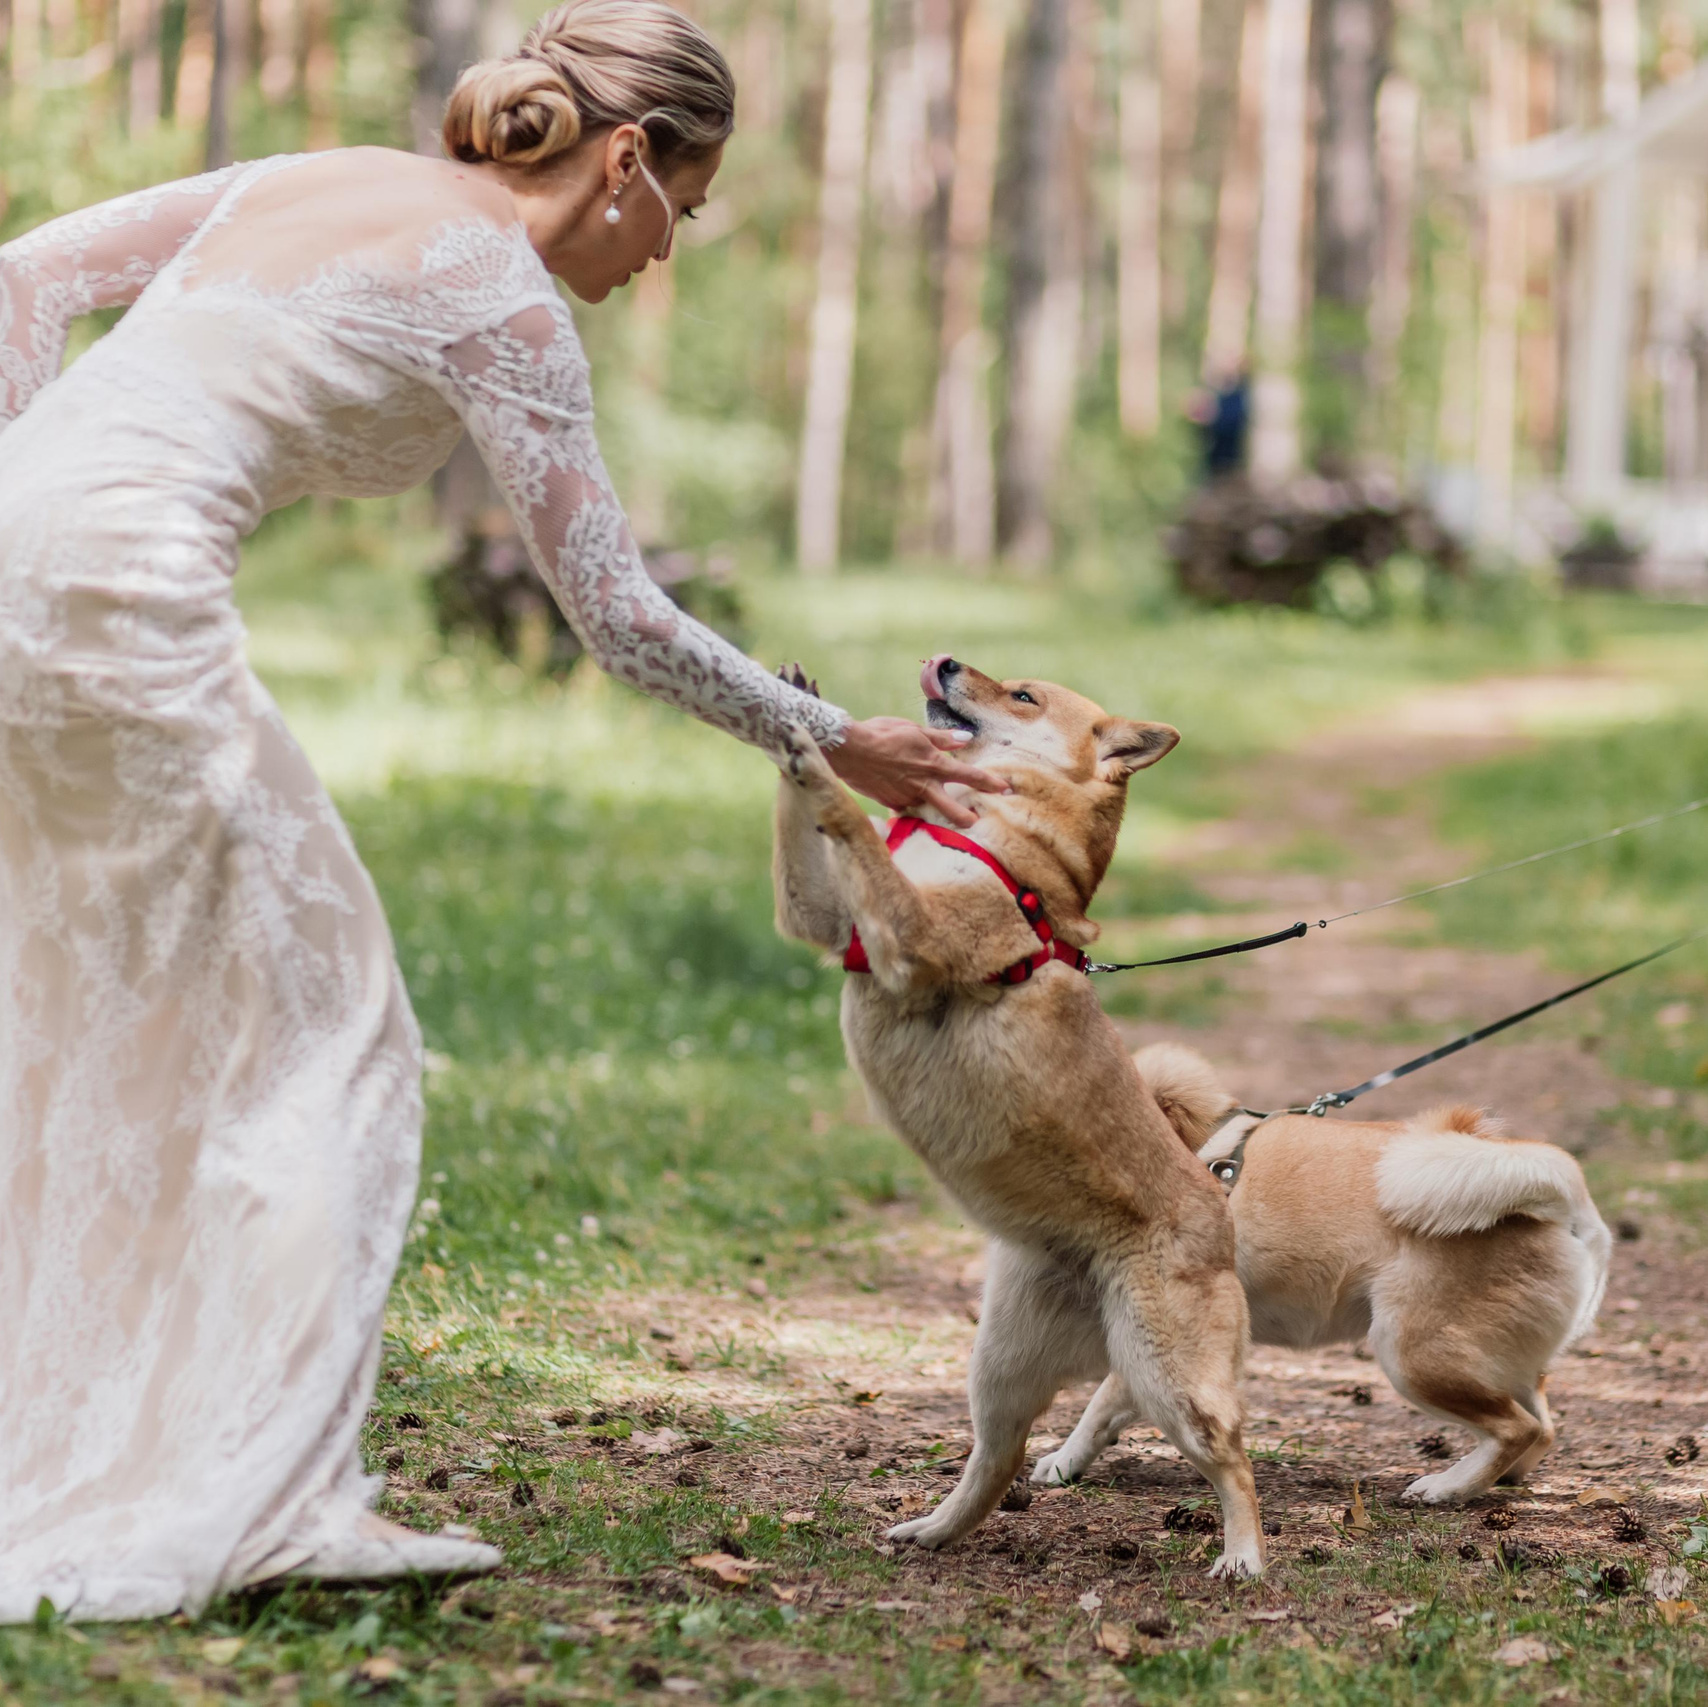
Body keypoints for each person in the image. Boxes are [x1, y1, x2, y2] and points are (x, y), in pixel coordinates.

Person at [0, 0, 1003, 1621]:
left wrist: (28, 488)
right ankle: (275, 1507)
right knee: (339, 1042)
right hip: (119, 597)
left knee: (100, 1019)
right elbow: (618, 617)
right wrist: (831, 739)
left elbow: (23, 276)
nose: (675, 248)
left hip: (13, 558)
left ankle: (135, 1444)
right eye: (690, 203)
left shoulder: (319, 174)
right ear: (624, 160)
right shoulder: (510, 307)